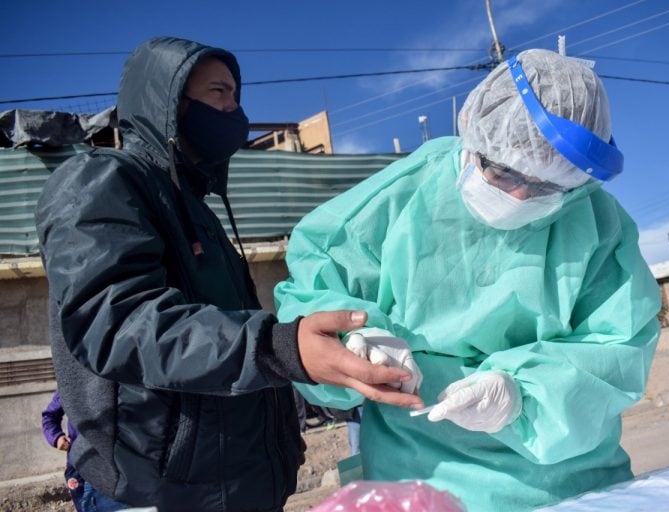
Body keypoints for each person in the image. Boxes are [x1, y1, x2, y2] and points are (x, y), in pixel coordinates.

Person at [35, 36, 422, 512]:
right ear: (169, 103)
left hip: (237, 487)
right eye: (219, 92)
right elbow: (118, 322)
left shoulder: (198, 209)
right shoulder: (102, 181)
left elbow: (229, 353)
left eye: (236, 96)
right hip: (155, 491)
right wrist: (279, 346)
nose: (234, 110)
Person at [275, 49, 661, 511]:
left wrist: (523, 395)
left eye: (545, 186)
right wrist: (356, 338)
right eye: (502, 171)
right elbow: (315, 294)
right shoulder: (394, 202)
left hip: (570, 482)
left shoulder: (598, 226)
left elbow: (617, 347)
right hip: (421, 482)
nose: (519, 195)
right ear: (474, 136)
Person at [42, 390, 85, 512]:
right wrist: (56, 438)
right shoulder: (71, 381)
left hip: (115, 467)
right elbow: (49, 416)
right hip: (79, 466)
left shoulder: (119, 379)